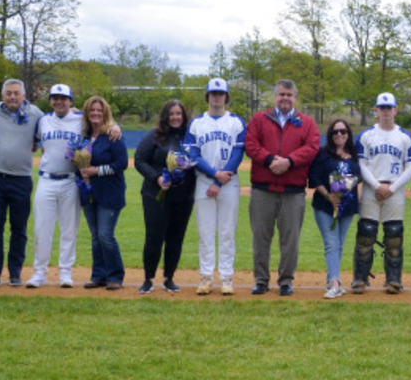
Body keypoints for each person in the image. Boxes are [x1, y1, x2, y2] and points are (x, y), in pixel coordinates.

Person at [244, 79, 321, 296]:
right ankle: (261, 280)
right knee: (261, 238)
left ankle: (286, 281)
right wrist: (269, 160)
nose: (285, 98)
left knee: (290, 240)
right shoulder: (260, 118)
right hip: (262, 189)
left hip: (293, 191)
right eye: (281, 94)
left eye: (289, 94)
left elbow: (312, 147)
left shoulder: (307, 122)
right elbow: (250, 144)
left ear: (295, 98)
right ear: (275, 97)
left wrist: (289, 161)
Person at [184, 78, 246, 295]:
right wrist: (213, 175)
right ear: (207, 96)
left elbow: (238, 154)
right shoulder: (196, 123)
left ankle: (227, 277)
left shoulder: (236, 122)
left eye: (221, 94)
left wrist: (220, 180)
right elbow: (192, 155)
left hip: (229, 182)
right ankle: (206, 277)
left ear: (226, 97)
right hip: (203, 182)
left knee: (228, 232)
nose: (217, 97)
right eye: (213, 94)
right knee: (205, 232)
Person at [352, 93, 411, 294]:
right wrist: (377, 186)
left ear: (395, 110)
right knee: (366, 233)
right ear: (376, 110)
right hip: (372, 189)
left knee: (394, 235)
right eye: (382, 107)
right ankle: (360, 279)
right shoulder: (367, 135)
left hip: (394, 190)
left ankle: (393, 280)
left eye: (389, 108)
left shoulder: (405, 137)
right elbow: (361, 165)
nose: (386, 111)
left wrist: (392, 188)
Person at [0, 79, 45, 287]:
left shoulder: (35, 114)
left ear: (24, 95)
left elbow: (56, 123)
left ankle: (15, 272)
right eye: (8, 93)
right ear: (2, 96)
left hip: (21, 179)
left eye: (16, 93)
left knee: (19, 229)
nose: (12, 97)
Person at [135, 100, 196, 294]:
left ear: (183, 116)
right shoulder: (154, 136)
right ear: (165, 116)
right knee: (154, 237)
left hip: (183, 196)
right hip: (156, 195)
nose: (175, 117)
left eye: (179, 113)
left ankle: (169, 278)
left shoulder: (190, 138)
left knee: (176, 238)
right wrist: (157, 178)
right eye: (171, 114)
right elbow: (139, 160)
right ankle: (148, 278)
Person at [27, 84, 84, 289]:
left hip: (70, 180)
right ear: (50, 100)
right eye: (55, 98)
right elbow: (36, 143)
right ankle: (39, 274)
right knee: (42, 229)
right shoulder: (43, 121)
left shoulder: (80, 120)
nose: (59, 102)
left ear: (70, 101)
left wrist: (113, 126)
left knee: (69, 229)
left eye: (63, 98)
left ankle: (65, 273)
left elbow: (102, 121)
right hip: (46, 180)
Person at [78, 96, 129, 290]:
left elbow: (121, 164)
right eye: (92, 111)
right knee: (95, 236)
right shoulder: (83, 136)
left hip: (110, 192)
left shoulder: (113, 135)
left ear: (105, 112)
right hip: (88, 192)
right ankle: (98, 275)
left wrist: (96, 171)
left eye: (99, 110)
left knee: (105, 235)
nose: (95, 114)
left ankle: (115, 276)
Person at [309, 119, 362, 299]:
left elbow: (360, 176)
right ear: (331, 135)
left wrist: (346, 184)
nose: (339, 134)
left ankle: (332, 279)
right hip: (325, 205)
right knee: (331, 244)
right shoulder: (323, 154)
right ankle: (335, 283)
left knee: (339, 244)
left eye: (343, 131)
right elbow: (314, 177)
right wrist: (329, 195)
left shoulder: (354, 154)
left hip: (347, 205)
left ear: (348, 133)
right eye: (335, 132)